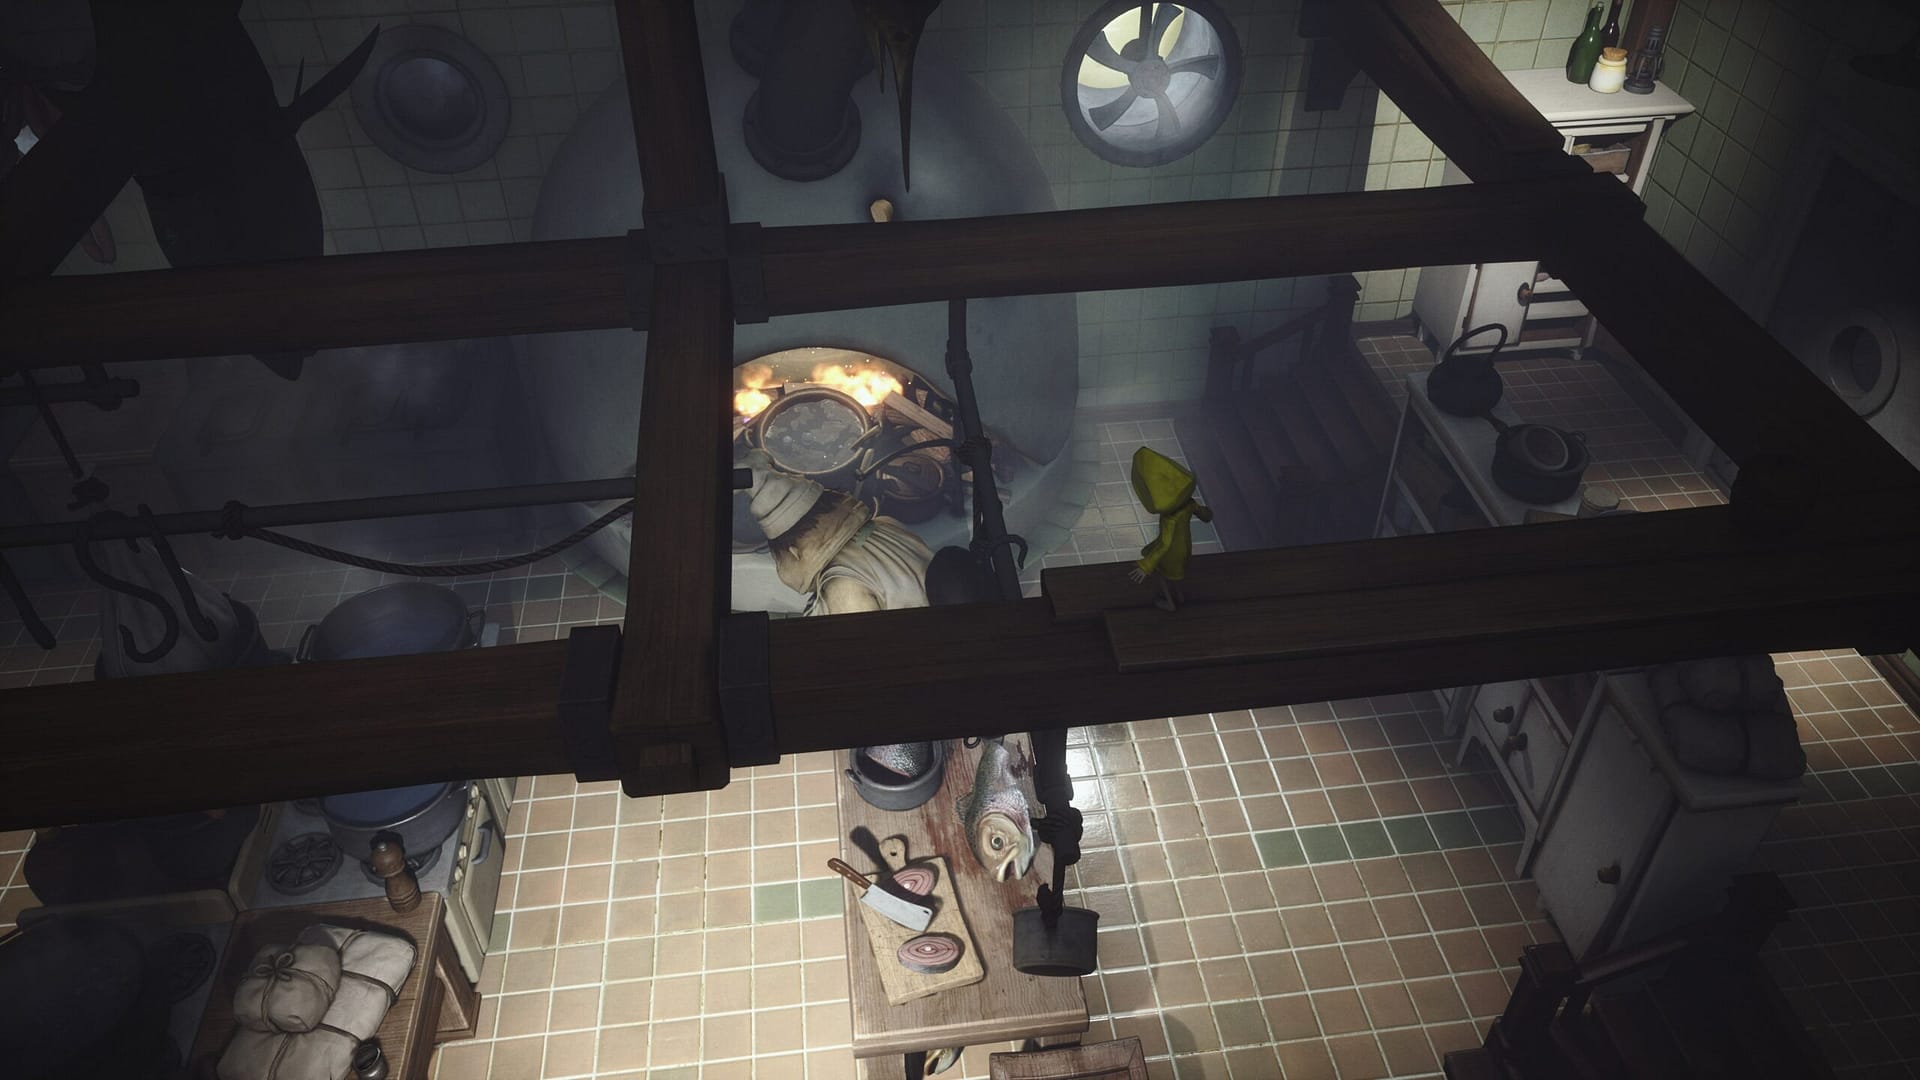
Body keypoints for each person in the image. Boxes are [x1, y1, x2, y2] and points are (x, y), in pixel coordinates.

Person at [1125, 446, 1212, 611]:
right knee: (1175, 576)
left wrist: (1146, 565)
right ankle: (1179, 596)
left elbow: (1165, 543)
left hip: (1171, 553)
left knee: (1163, 576)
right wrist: (1207, 514)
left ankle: (1170, 603)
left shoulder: (1169, 519)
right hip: (1185, 547)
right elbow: (1204, 514)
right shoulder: (1189, 504)